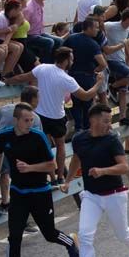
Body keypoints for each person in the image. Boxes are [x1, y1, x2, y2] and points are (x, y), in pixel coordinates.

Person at [0, 102, 80, 257]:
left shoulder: (38, 137)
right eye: (26, 120)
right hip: (18, 194)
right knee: (14, 237)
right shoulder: (4, 136)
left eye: (32, 119)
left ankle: (69, 242)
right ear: (16, 120)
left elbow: (51, 164)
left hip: (40, 192)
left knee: (49, 234)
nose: (30, 123)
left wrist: (30, 168)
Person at [63, 103, 129, 257]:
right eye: (106, 121)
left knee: (122, 233)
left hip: (114, 194)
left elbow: (124, 166)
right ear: (93, 120)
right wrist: (67, 180)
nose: (109, 124)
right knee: (85, 235)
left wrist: (102, 171)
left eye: (110, 121)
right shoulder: (79, 139)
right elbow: (76, 159)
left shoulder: (112, 140)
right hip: (91, 196)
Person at [32, 46, 105, 182]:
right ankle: (60, 176)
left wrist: (8, 80)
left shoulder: (42, 68)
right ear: (66, 60)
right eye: (71, 59)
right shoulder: (66, 78)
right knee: (60, 146)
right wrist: (99, 83)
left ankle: (52, 177)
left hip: (40, 114)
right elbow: (86, 96)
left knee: (45, 146)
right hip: (57, 116)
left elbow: (25, 77)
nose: (73, 61)